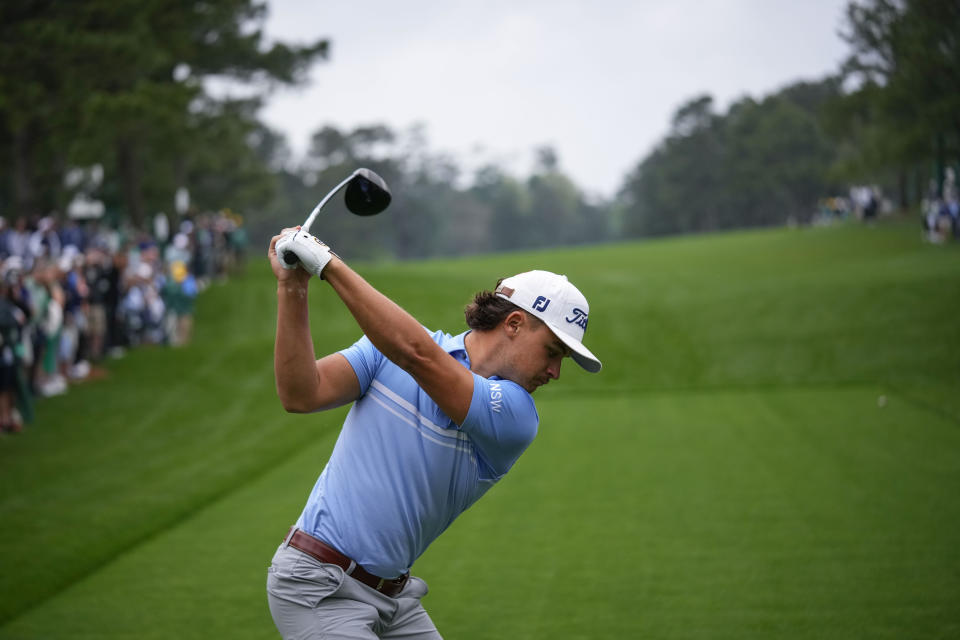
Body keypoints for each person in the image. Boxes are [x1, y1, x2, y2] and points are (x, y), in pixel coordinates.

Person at [265, 226, 602, 639]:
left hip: (394, 600)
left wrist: (327, 263)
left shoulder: (517, 416)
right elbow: (301, 393)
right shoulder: (382, 352)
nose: (555, 372)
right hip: (318, 585)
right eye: (553, 351)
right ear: (514, 323)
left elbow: (416, 354)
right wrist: (293, 287)